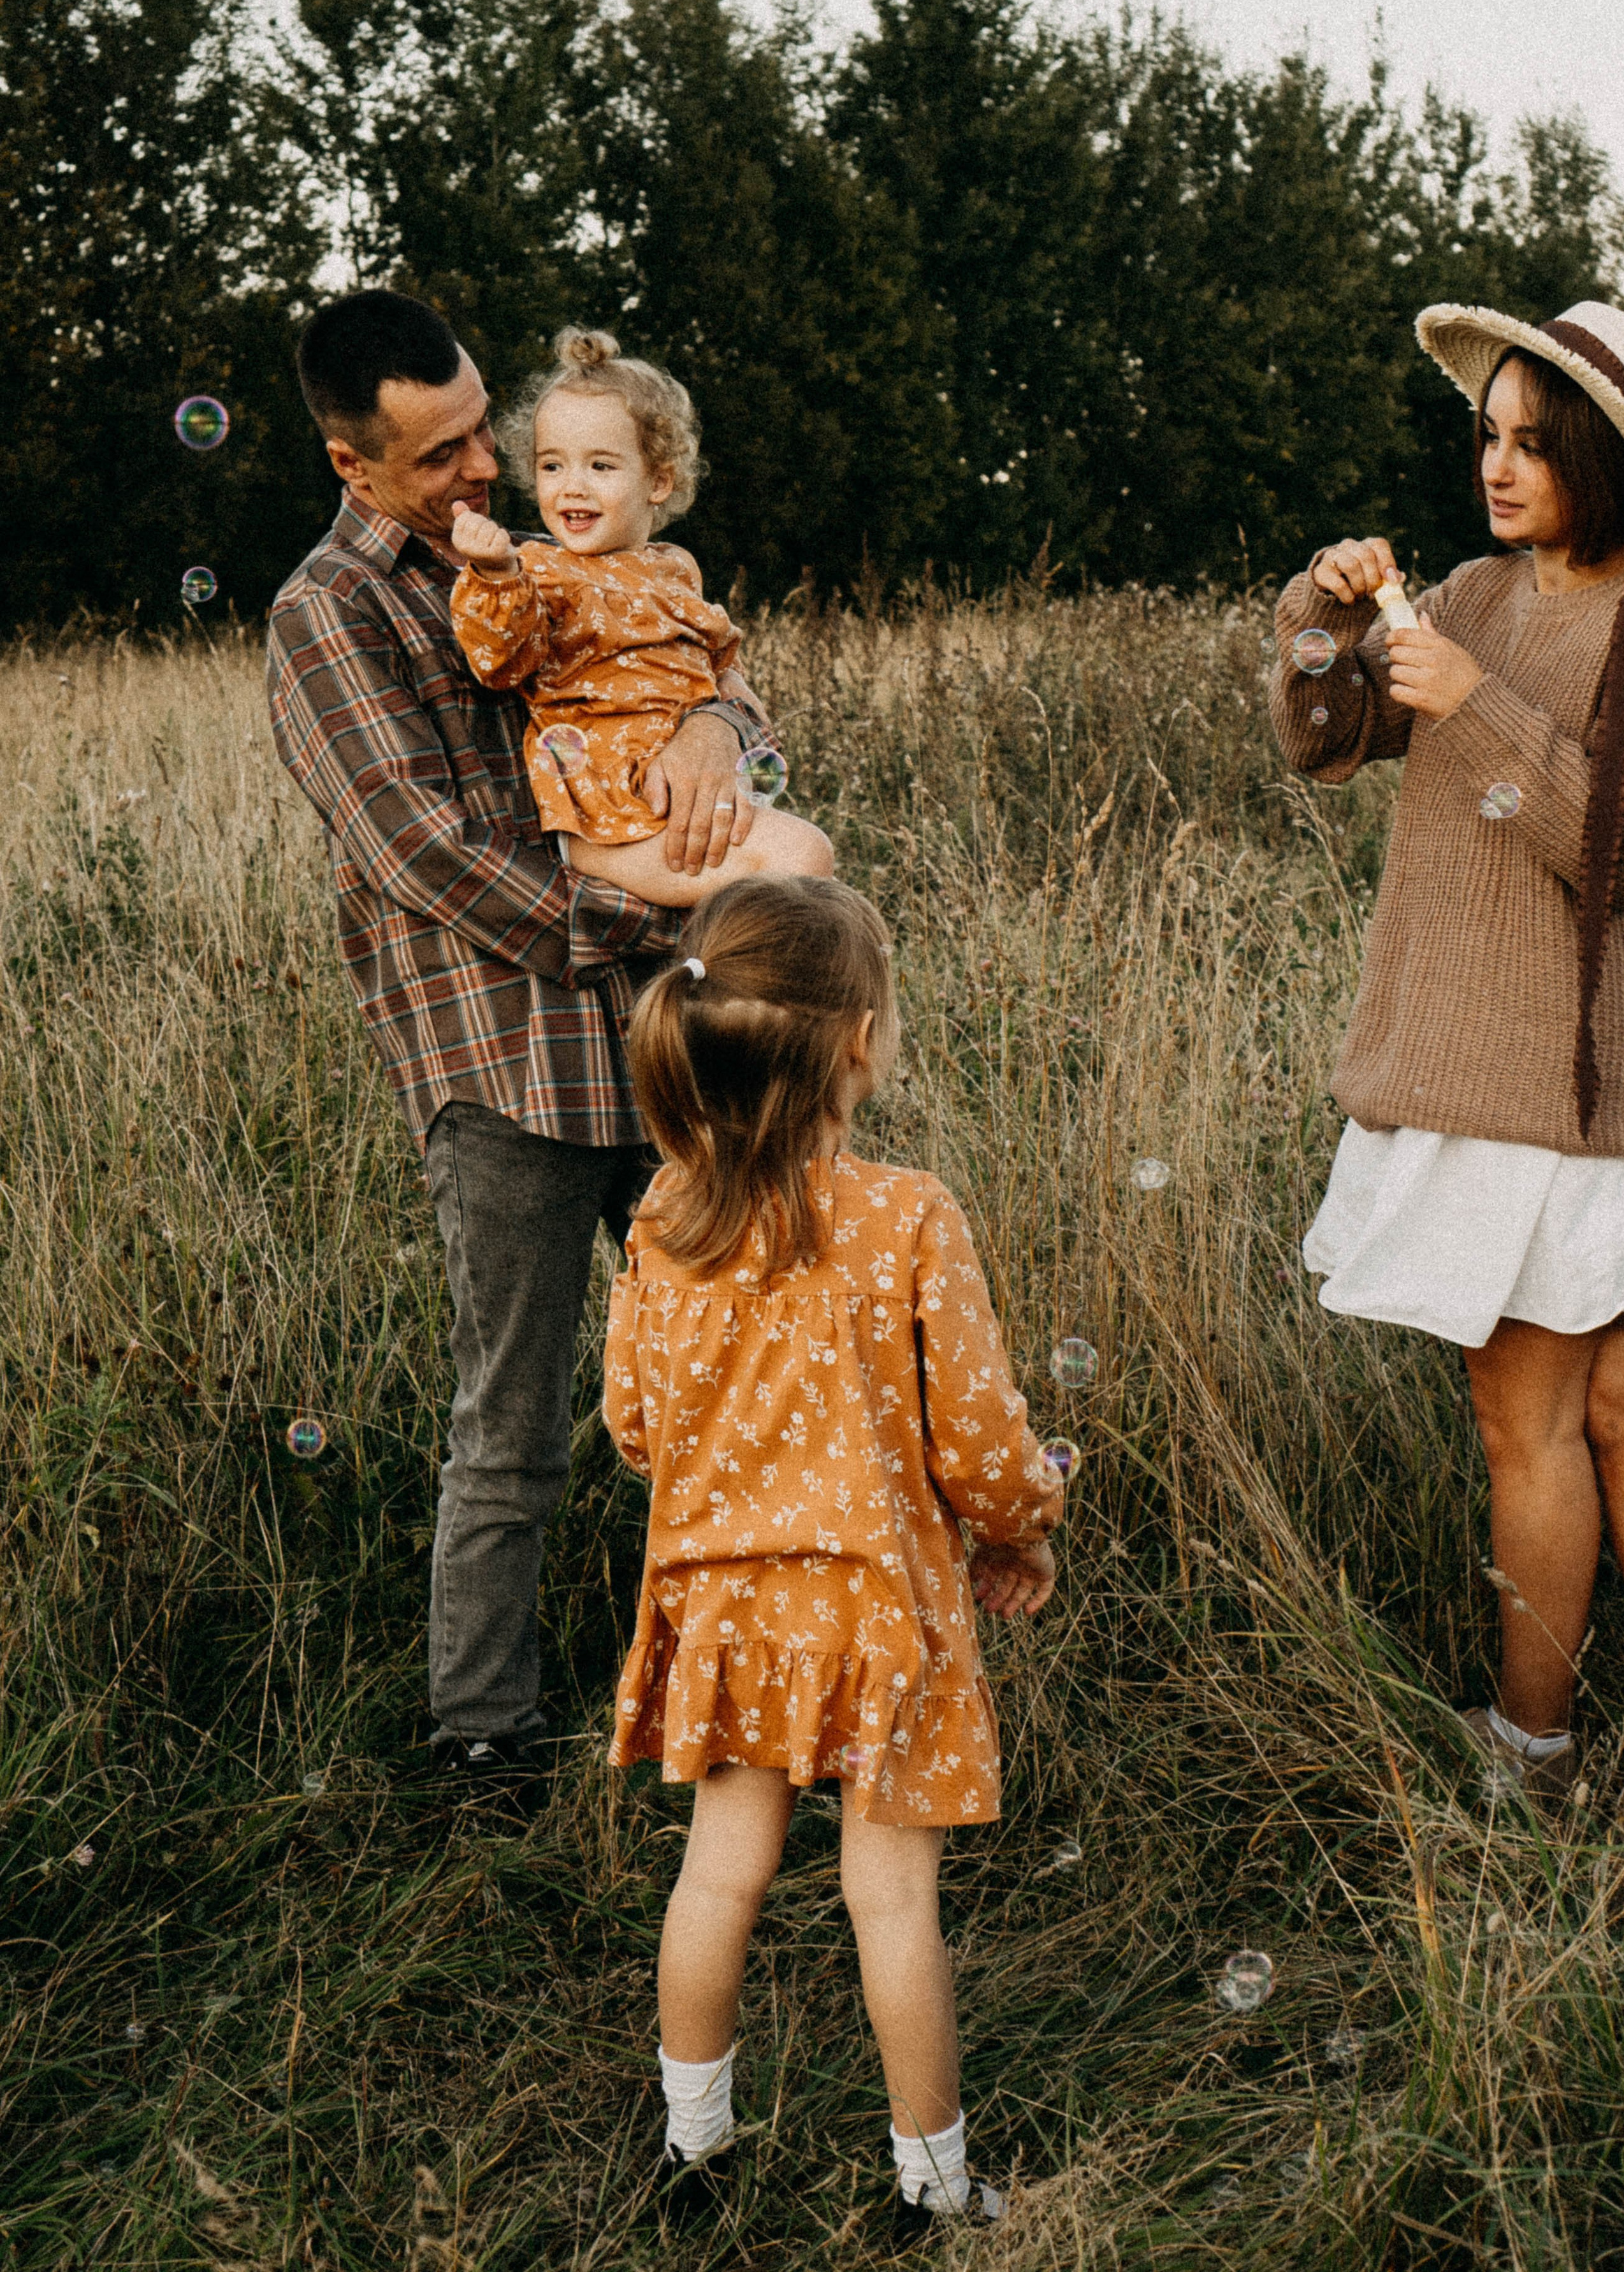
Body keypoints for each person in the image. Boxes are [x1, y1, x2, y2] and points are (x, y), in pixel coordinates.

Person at [266, 289, 774, 1793]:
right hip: (503, 1061)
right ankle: (480, 1730)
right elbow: (416, 848)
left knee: (732, 1365)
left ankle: (745, 1679)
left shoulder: (569, 552)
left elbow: (708, 679)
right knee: (515, 1410)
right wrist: (635, 917)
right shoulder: (328, 614)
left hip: (671, 1037)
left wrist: (711, 734)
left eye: (482, 427)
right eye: (436, 457)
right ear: (356, 469)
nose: (482, 467)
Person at [600, 875, 1064, 2228]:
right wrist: (1027, 1517)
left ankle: (690, 2152)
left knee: (718, 1870)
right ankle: (936, 2190)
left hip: (722, 1608)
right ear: (857, 1040)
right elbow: (978, 1444)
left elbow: (634, 1429)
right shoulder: (903, 1216)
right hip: (876, 1617)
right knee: (889, 1900)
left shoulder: (661, 1223)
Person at [1270, 298, 1624, 1801]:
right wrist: (1320, 622)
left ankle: (1529, 1750)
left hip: (1554, 1092)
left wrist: (1479, 710)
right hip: (1487, 1074)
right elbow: (1323, 740)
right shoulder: (1473, 592)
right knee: (1604, 1407)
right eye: (1484, 436)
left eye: (1532, 446)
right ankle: (1544, 1739)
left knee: (1526, 1413)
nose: (1495, 467)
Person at [449, 328, 834, 906]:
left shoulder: (675, 568)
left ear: (659, 481)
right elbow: (500, 659)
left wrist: (734, 722)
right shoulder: (537, 571)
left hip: (691, 800)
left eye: (601, 467)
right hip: (610, 814)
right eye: (552, 466)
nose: (571, 486)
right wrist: (497, 573)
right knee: (803, 860)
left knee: (769, 908)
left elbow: (719, 665)